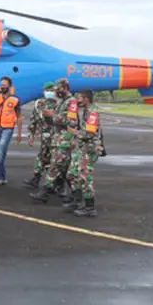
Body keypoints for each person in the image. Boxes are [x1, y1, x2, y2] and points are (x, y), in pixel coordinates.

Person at [30, 78, 78, 204]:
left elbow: (72, 121)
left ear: (65, 88)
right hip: (57, 139)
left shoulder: (71, 102)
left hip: (65, 139)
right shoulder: (61, 102)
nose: (56, 91)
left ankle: (45, 191)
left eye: (58, 89)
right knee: (64, 169)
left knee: (55, 165)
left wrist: (53, 116)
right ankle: (75, 193)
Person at [65, 89, 106, 217]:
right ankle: (77, 200)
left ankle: (90, 207)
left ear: (86, 99)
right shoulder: (86, 112)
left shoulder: (92, 113)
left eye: (80, 98)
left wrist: (74, 133)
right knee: (72, 173)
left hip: (90, 149)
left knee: (84, 176)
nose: (77, 101)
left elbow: (89, 133)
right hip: (82, 147)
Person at [0, 76, 22, 186]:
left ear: (9, 86)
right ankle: (2, 176)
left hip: (7, 128)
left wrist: (19, 133)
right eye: (1, 85)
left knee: (0, 151)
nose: (2, 87)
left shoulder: (15, 99)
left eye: (4, 85)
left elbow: (19, 117)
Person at [23, 82, 57, 189]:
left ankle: (55, 184)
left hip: (56, 136)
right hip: (45, 135)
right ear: (44, 91)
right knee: (42, 157)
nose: (50, 93)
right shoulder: (39, 103)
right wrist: (31, 136)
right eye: (48, 90)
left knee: (54, 159)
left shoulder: (59, 104)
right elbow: (34, 120)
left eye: (52, 91)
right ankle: (36, 179)